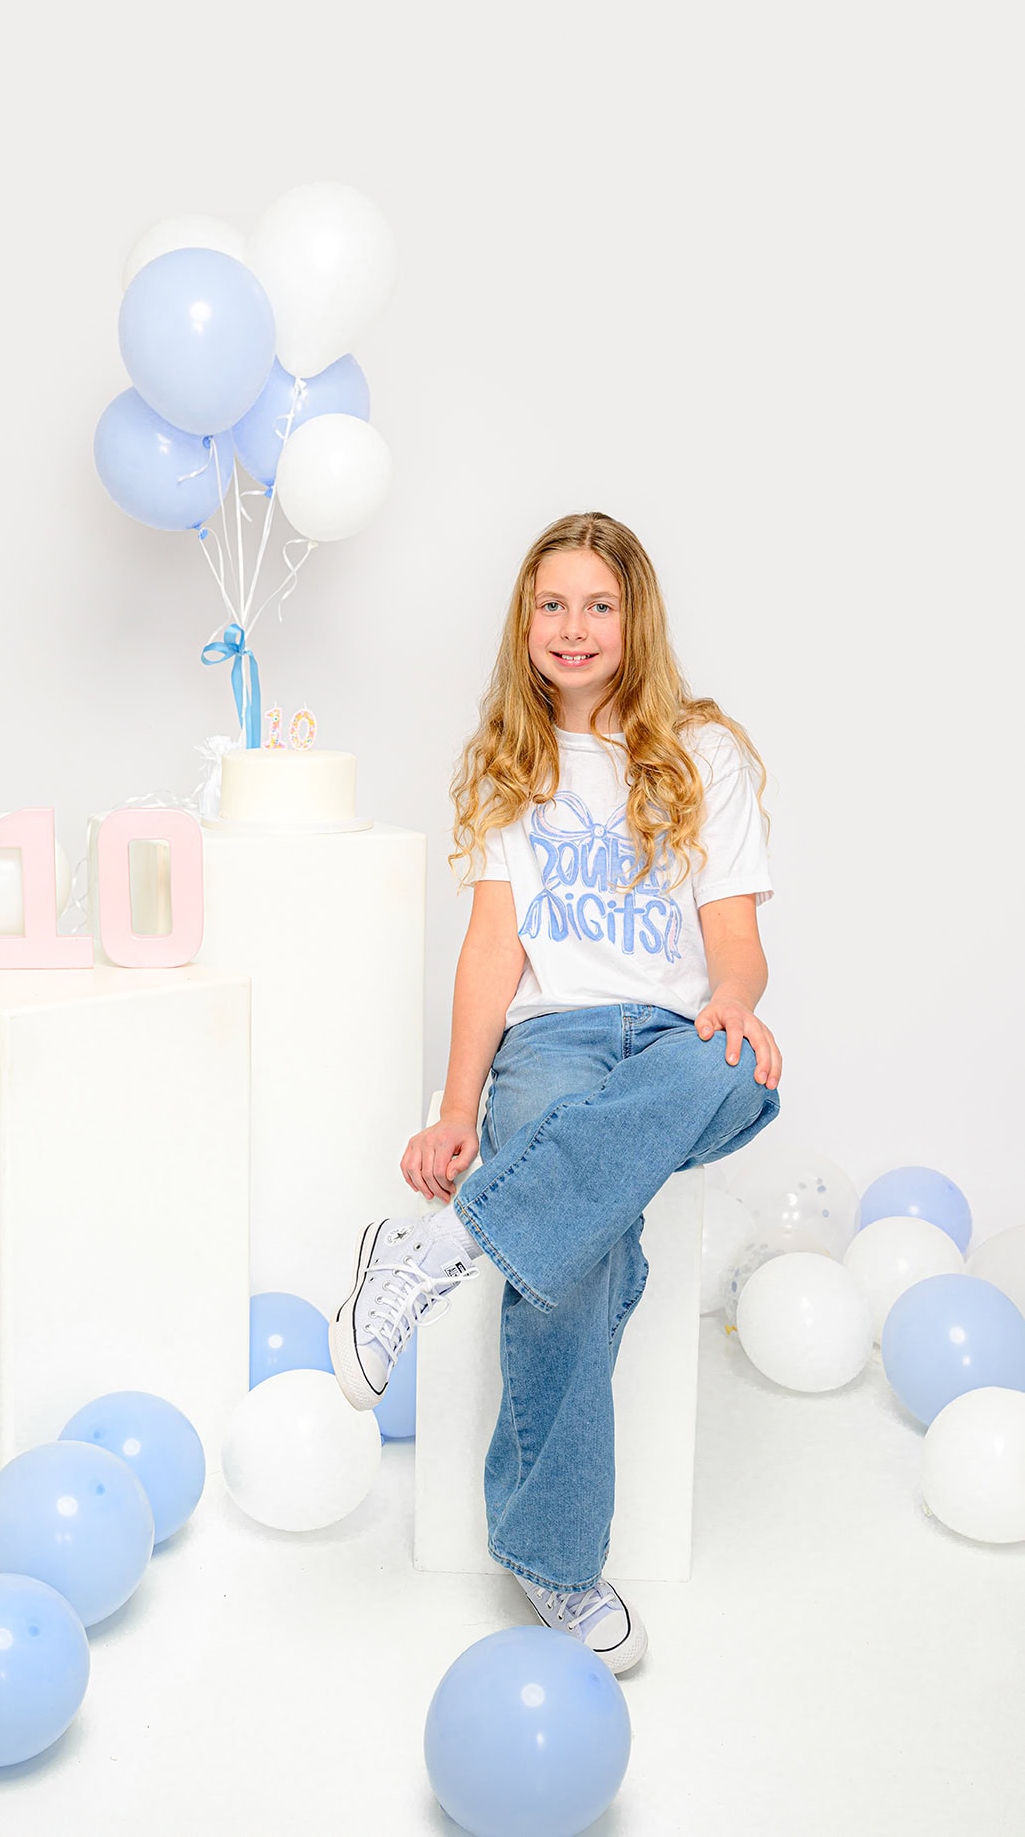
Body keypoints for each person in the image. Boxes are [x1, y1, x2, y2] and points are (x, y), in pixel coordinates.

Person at [329, 511, 782, 1675]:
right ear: (522, 622)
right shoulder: (507, 764)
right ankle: (556, 1561)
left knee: (736, 1066)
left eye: (596, 605)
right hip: (556, 1040)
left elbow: (735, 941)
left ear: (636, 620)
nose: (571, 628)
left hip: (677, 1042)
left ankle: (434, 1248)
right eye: (550, 604)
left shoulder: (704, 753)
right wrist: (457, 1108)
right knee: (578, 1254)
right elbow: (492, 952)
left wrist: (730, 999)